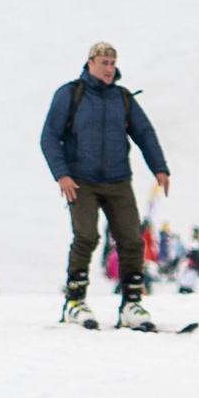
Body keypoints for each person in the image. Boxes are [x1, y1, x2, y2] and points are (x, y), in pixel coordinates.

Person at [39, 42, 170, 329]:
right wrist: (62, 174)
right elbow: (49, 136)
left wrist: (159, 168)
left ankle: (132, 304)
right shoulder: (70, 94)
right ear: (90, 63)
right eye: (103, 63)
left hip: (118, 180)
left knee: (132, 240)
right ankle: (74, 301)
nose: (109, 68)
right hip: (80, 181)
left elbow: (144, 133)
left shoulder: (122, 98)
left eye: (112, 63)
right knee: (86, 236)